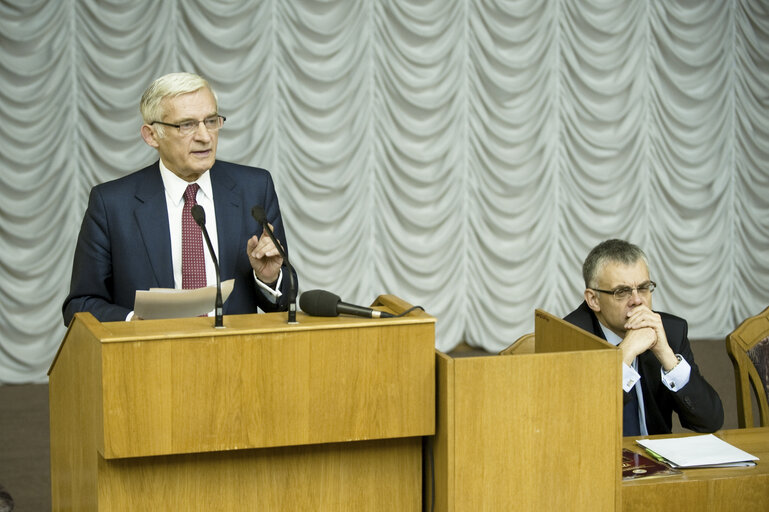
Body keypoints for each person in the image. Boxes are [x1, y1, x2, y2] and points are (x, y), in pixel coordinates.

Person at [62, 72, 294, 325]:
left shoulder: (254, 189)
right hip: (149, 357)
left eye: (211, 121)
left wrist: (269, 279)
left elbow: (285, 302)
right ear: (152, 135)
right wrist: (134, 322)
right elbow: (81, 304)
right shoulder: (112, 204)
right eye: (187, 125)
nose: (205, 136)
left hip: (235, 357)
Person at [564, 239, 723, 436]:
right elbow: (579, 425)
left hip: (658, 462)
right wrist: (624, 354)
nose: (637, 300)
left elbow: (710, 421)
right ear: (594, 300)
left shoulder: (670, 332)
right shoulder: (569, 338)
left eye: (643, 288)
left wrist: (666, 356)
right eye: (621, 292)